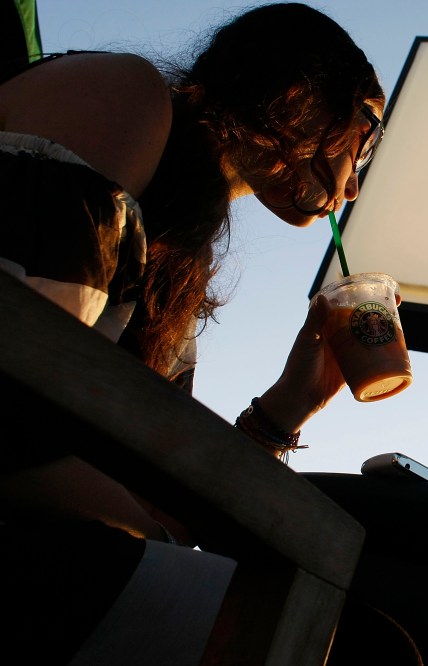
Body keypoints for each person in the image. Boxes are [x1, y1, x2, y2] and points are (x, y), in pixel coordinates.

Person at [0, 2, 388, 663]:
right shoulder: (122, 93)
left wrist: (288, 405)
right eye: (368, 135)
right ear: (305, 98)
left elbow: (167, 504)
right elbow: (16, 395)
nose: (354, 186)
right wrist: (156, 535)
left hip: (44, 551)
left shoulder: (177, 253)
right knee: (352, 648)